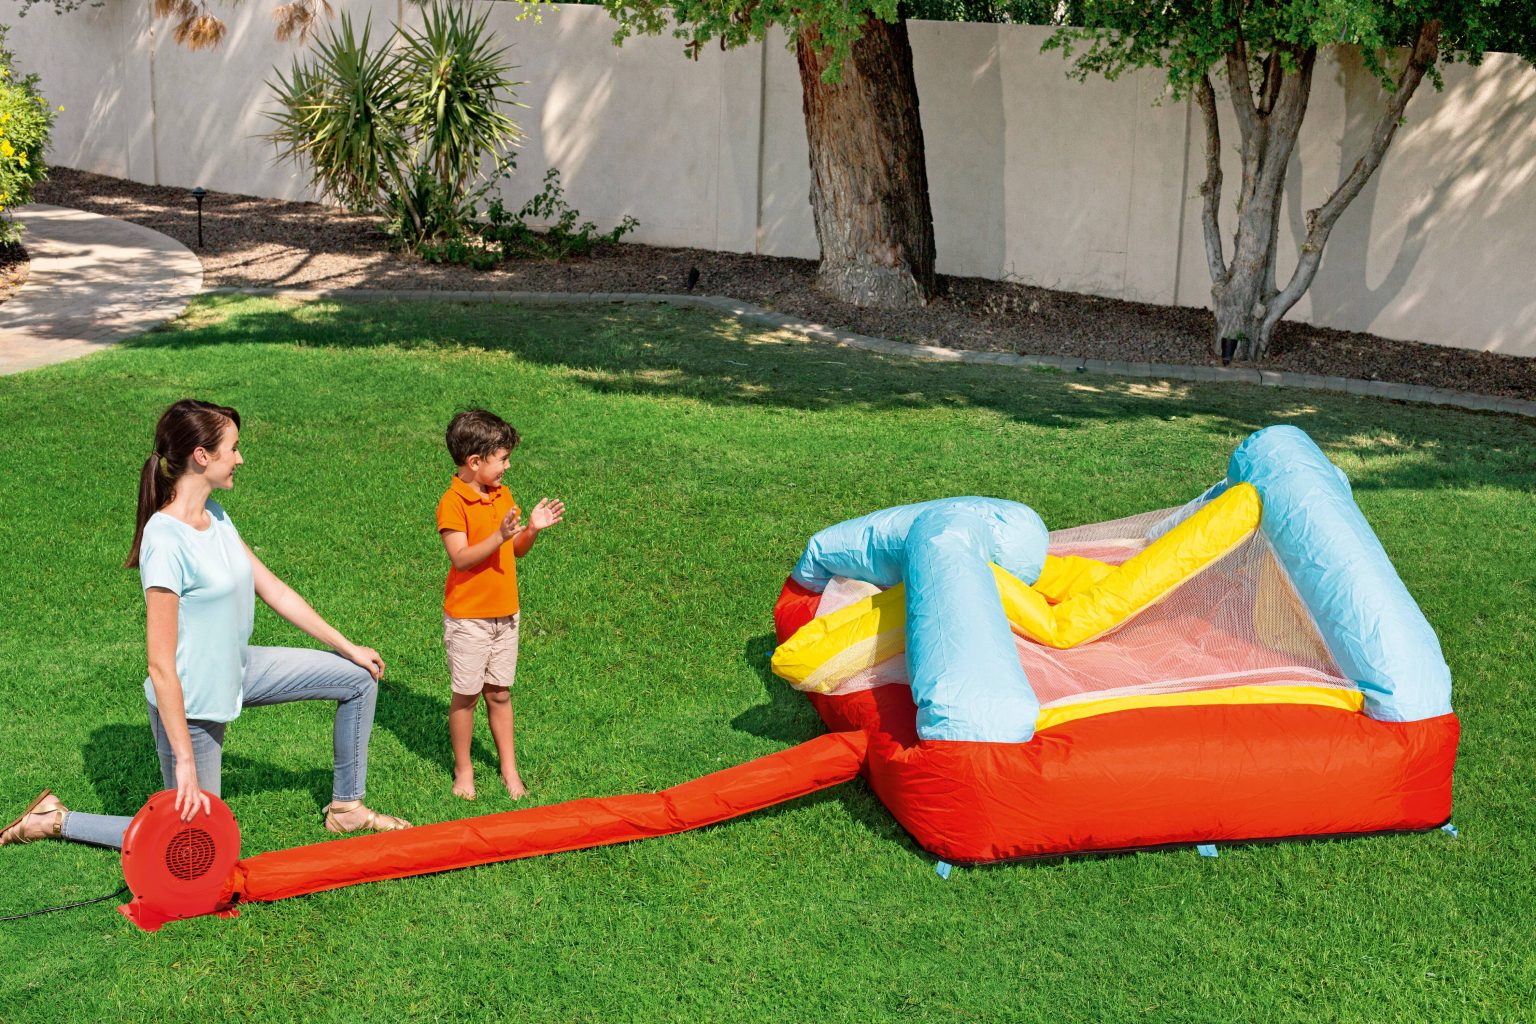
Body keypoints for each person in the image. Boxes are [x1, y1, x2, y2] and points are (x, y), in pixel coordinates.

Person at [1, 399, 410, 848]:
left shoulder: (214, 516)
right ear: (202, 455)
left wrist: (347, 646)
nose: (239, 458)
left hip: (241, 670)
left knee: (358, 678)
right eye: (232, 449)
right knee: (190, 841)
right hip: (191, 700)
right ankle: (54, 819)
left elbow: (271, 587)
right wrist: (184, 760)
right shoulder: (164, 539)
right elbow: (160, 665)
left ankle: (347, 810)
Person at [437, 409, 564, 801]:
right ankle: (464, 770)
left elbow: (517, 550)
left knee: (500, 693)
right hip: (468, 620)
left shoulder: (501, 494)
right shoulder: (452, 503)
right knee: (467, 695)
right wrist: (499, 535)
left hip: (506, 614)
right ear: (475, 462)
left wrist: (531, 530)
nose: (508, 466)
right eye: (503, 459)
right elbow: (460, 557)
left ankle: (509, 769)